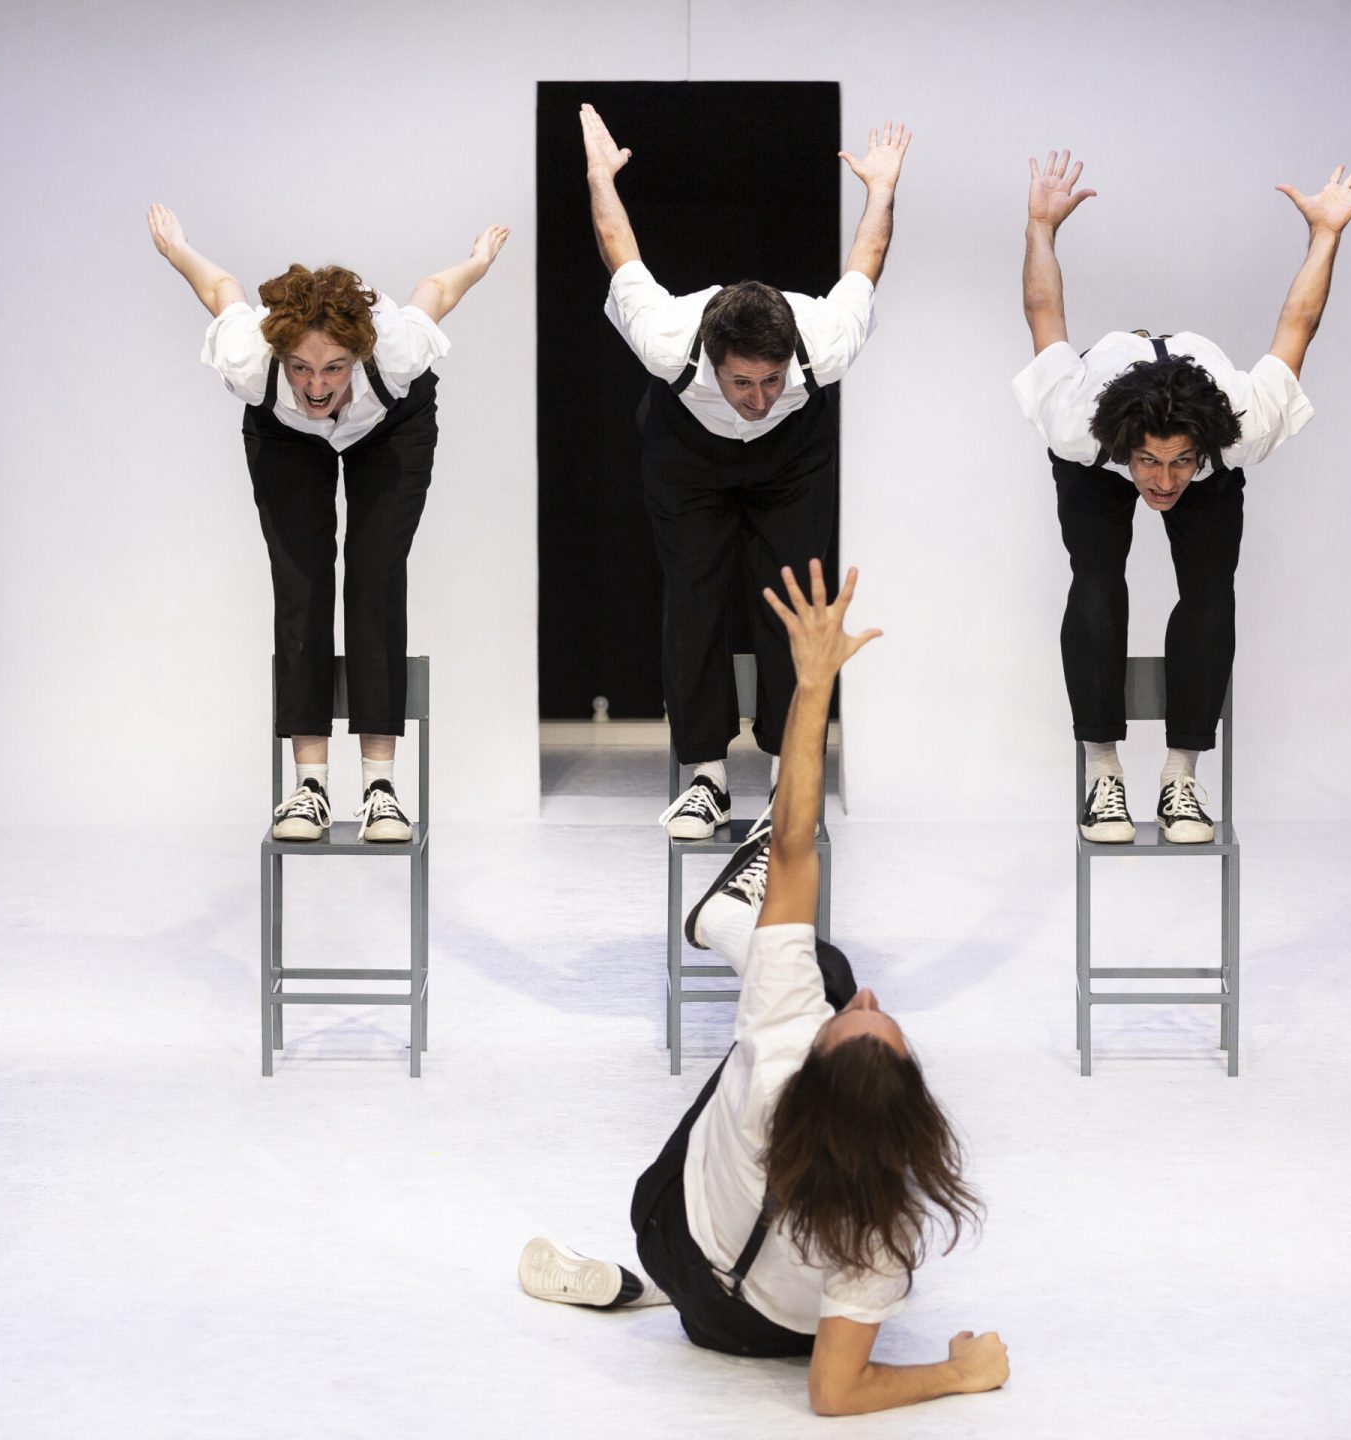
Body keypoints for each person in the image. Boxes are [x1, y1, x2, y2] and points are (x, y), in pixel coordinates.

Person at [517, 560, 1009, 1417]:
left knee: (822, 972)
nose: (869, 1002)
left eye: (856, 1025)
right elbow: (837, 1388)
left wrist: (812, 684)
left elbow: (790, 848)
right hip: (757, 1333)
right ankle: (665, 1294)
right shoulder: (884, 1233)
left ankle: (723, 923)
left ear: (813, 1073)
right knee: (818, 992)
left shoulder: (781, 1050)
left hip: (667, 1230)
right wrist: (953, 1373)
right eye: (885, 1023)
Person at [1014, 152, 1351, 844]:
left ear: (1203, 451)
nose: (1163, 482)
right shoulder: (1078, 424)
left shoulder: (1241, 426)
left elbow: (1297, 325)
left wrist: (1326, 234)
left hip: (1199, 405)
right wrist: (1040, 226)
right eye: (1150, 465)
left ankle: (1180, 777)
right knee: (1096, 581)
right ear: (1127, 451)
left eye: (1179, 464)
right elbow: (1043, 312)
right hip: (1106, 419)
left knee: (1211, 592)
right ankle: (1103, 772)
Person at [579, 102, 911, 839]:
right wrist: (601, 177)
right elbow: (618, 248)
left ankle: (791, 768)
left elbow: (866, 261)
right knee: (694, 596)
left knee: (793, 602)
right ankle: (707, 777)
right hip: (686, 456)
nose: (758, 399)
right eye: (742, 383)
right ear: (713, 361)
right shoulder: (668, 338)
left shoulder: (825, 341)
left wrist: (881, 190)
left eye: (770, 380)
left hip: (792, 458)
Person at [147, 204, 507, 840]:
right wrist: (178, 250)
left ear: (358, 355)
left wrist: (476, 262)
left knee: (373, 577)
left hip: (391, 427)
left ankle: (380, 788)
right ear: (280, 356)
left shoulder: (393, 350)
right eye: (301, 367)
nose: (316, 386)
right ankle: (309, 788)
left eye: (334, 367)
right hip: (284, 437)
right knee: (302, 584)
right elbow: (221, 289)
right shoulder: (250, 360)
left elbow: (436, 291)